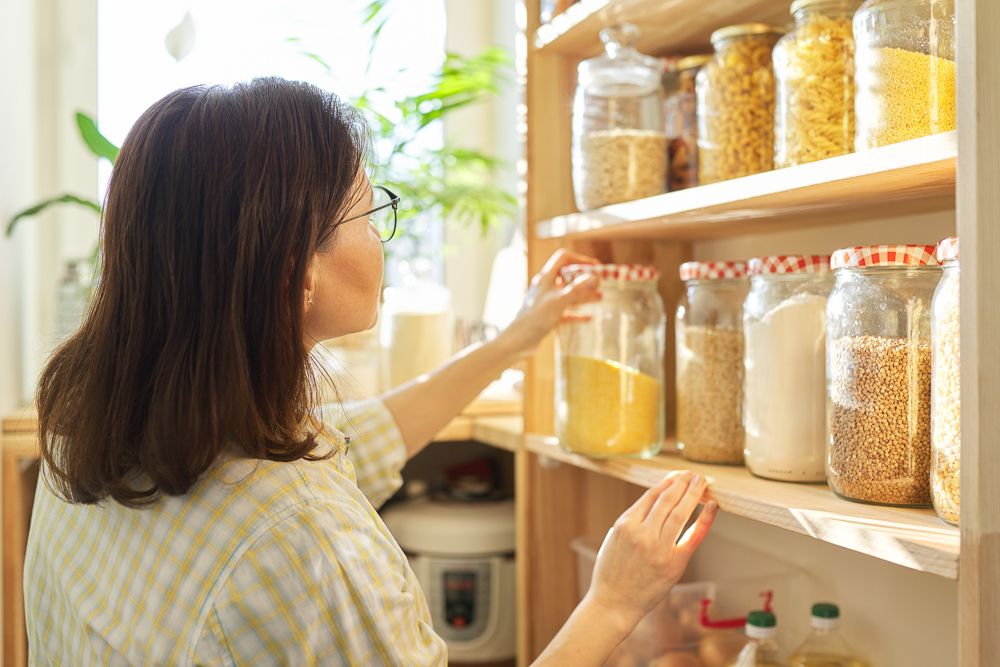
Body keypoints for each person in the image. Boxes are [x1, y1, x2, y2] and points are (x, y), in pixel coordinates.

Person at [24, 78, 717, 666]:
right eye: (370, 211)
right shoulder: (304, 540)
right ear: (298, 271)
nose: (381, 239)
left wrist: (515, 339)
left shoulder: (84, 429)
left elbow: (360, 438)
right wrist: (614, 602)